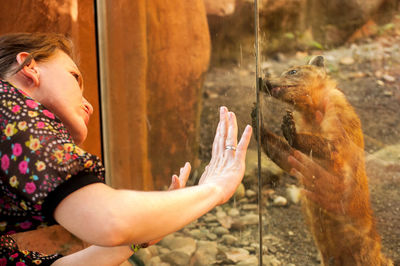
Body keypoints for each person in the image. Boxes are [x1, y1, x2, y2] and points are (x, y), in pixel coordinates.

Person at [0, 32, 252, 265]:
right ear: (29, 67)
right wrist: (216, 189)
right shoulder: (7, 106)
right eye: (75, 77)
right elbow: (110, 220)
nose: (88, 104)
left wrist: (142, 232)